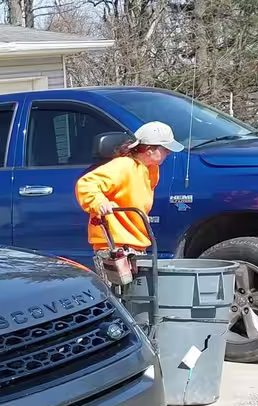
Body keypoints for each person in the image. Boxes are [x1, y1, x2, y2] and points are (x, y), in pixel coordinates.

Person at [75, 120, 185, 289]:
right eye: (165, 148)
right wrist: (99, 202)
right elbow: (86, 184)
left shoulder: (151, 169)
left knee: (130, 297)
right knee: (115, 297)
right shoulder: (123, 166)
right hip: (114, 246)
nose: (169, 152)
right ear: (149, 150)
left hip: (134, 244)